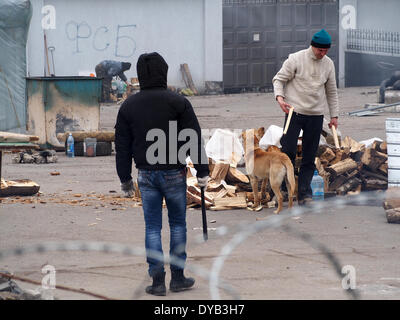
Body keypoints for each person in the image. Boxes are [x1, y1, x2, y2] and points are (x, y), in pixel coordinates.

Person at [114, 52, 209, 296]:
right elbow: (193, 138)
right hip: (173, 173)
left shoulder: (128, 105)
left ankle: (157, 282)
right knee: (178, 224)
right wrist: (202, 171)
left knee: (152, 228)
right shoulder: (178, 102)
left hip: (145, 174)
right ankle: (177, 278)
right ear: (163, 72)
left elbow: (122, 145)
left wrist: (124, 178)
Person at [272, 29, 339, 204]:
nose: (322, 54)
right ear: (313, 46)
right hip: (294, 112)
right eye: (320, 50)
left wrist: (335, 115)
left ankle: (304, 193)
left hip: (316, 115)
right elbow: (279, 79)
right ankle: (285, 190)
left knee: (309, 156)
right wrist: (280, 98)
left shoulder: (329, 64)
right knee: (287, 152)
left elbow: (331, 91)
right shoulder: (296, 58)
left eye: (326, 51)